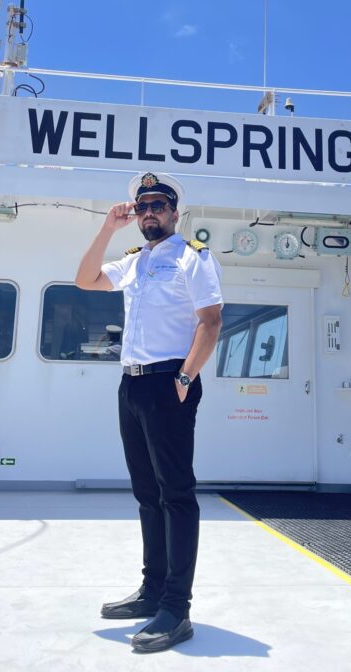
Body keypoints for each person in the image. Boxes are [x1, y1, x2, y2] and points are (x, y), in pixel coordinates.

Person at [75, 171, 223, 653]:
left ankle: (176, 608)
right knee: (146, 494)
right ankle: (152, 590)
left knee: (176, 494)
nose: (149, 213)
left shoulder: (193, 257)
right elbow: (86, 279)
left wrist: (185, 377)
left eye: (158, 205)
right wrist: (106, 229)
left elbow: (211, 320)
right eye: (142, 207)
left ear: (175, 212)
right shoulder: (135, 262)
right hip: (132, 385)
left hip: (168, 385)